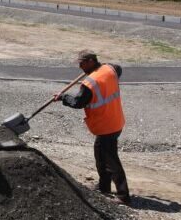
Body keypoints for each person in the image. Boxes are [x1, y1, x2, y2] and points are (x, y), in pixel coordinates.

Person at [54, 50, 131, 206]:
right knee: (100, 154)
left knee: (111, 161)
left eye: (82, 63)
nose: (80, 67)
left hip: (106, 125)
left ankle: (123, 195)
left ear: (90, 61)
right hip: (115, 121)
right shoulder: (110, 69)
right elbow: (118, 68)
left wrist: (62, 97)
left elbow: (78, 102)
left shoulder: (90, 83)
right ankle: (104, 186)